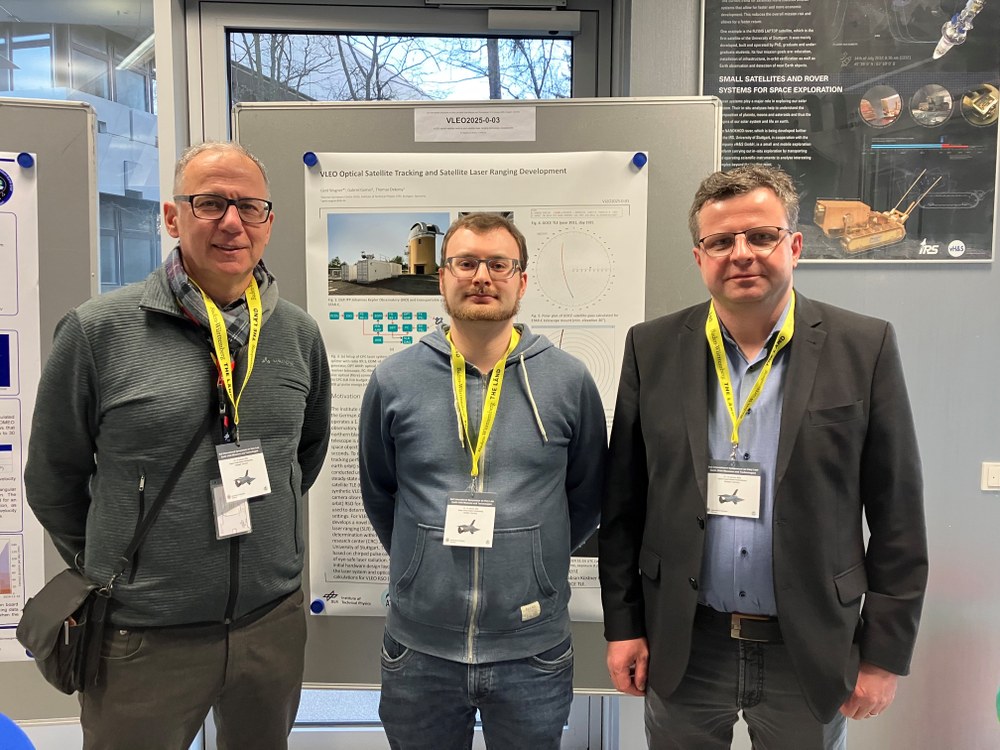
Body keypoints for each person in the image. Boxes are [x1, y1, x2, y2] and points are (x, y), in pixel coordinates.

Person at [598, 164, 928, 749]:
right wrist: (624, 626)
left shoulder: (864, 345)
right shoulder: (651, 348)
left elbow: (898, 515)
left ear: (794, 246)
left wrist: (883, 654)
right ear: (699, 257)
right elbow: (624, 505)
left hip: (808, 646)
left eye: (761, 236)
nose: (741, 253)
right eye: (720, 241)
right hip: (685, 642)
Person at [25, 142, 331, 749]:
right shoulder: (97, 331)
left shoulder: (297, 333)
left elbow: (303, 457)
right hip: (142, 637)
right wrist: (122, 567)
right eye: (210, 203)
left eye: (250, 207)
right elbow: (53, 478)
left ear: (268, 222)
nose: (232, 222)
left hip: (269, 626)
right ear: (172, 217)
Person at [358, 212, 607, 749]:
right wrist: (420, 565)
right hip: (420, 651)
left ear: (522, 280)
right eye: (466, 263)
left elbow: (587, 497)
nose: (482, 277)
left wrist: (534, 561)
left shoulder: (568, 380)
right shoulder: (394, 379)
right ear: (442, 276)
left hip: (533, 652)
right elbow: (380, 491)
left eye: (499, 264)